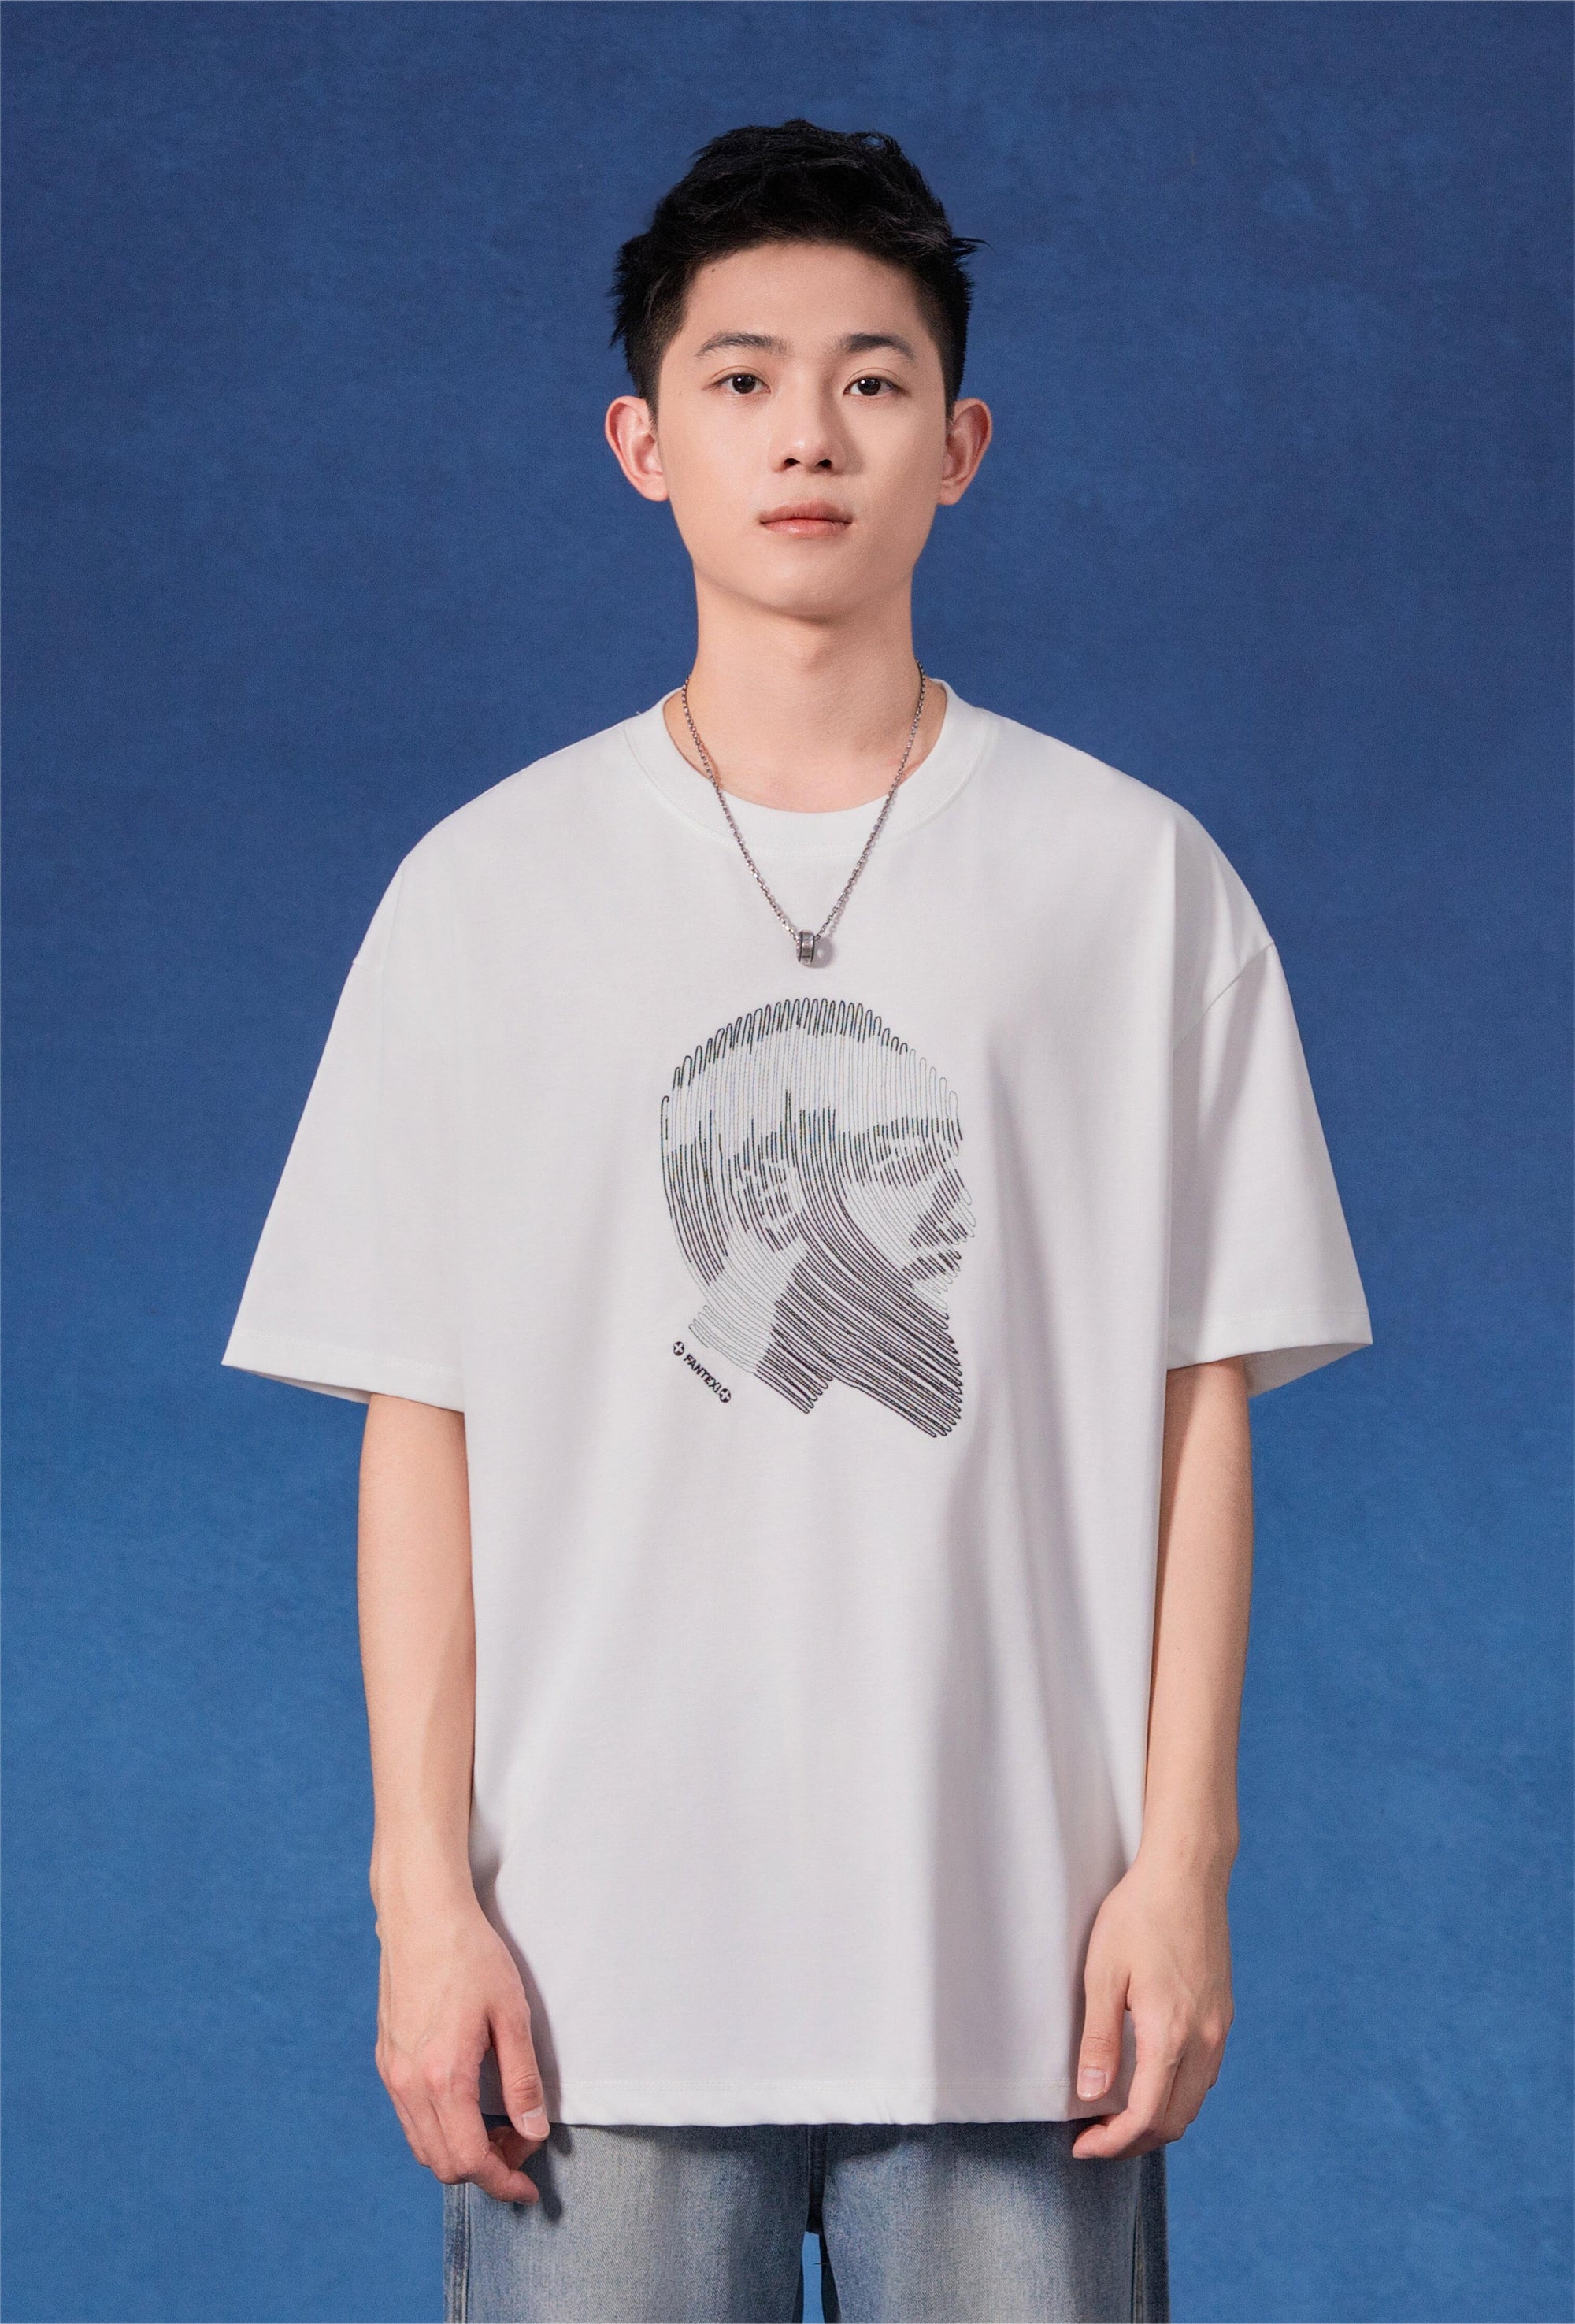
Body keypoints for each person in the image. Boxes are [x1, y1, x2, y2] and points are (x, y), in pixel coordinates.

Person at [222, 118, 1372, 2324]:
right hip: (591, 1992)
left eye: (871, 378)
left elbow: (1197, 1412)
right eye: (742, 379)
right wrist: (420, 1904)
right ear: (644, 443)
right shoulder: (483, 896)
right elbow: (421, 1426)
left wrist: (1185, 1869)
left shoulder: (1134, 887)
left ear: (962, 443)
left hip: (1024, 1978)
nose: (809, 435)